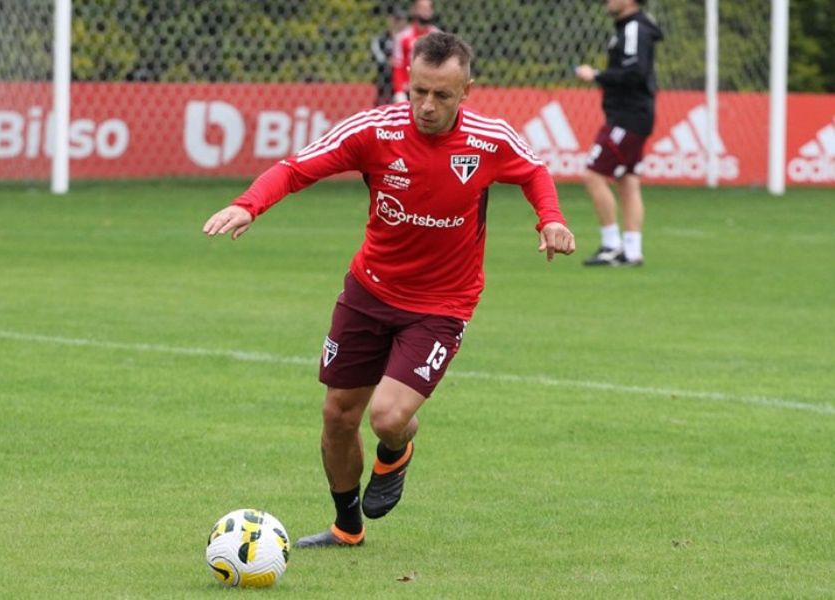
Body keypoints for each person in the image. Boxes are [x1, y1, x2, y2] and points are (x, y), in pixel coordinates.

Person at [203, 32, 575, 548]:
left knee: (388, 416)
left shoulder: (491, 139)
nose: (426, 105)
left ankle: (397, 451)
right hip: (368, 292)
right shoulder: (375, 130)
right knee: (337, 416)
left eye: (442, 95)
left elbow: (534, 173)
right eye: (418, 91)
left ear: (467, 90)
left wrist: (550, 221)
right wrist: (249, 204)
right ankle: (346, 527)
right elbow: (296, 168)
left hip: (443, 305)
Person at [575, 0, 663, 267]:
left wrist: (597, 75)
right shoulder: (631, 27)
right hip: (634, 114)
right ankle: (632, 250)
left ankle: (611, 245)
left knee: (593, 175)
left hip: (628, 116)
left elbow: (635, 72)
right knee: (627, 180)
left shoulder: (635, 28)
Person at [390, 0, 438, 102]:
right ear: (414, 10)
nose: (425, 11)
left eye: (428, 8)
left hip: (431, 87)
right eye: (421, 8)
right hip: (408, 88)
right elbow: (397, 66)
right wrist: (399, 91)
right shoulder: (402, 37)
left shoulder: (437, 37)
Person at [370, 8, 407, 106]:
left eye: (400, 20)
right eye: (395, 20)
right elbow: (376, 55)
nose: (398, 23)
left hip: (404, 79)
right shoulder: (381, 39)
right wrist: (387, 61)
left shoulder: (406, 39)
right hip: (386, 78)